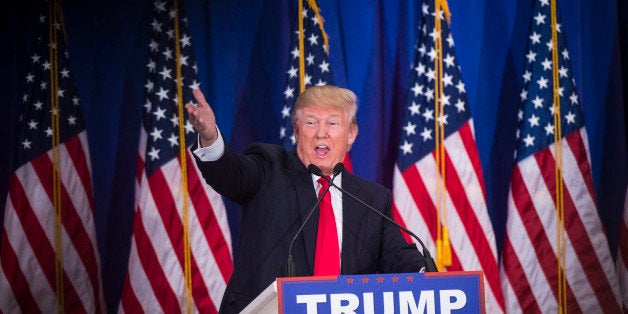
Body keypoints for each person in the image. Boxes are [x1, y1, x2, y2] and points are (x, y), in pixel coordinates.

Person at [186, 85, 425, 313]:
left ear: (351, 134)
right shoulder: (268, 169)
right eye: (311, 122)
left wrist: (427, 274)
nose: (321, 133)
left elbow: (398, 257)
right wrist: (210, 138)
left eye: (332, 123)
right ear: (297, 131)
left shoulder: (372, 199)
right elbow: (231, 174)